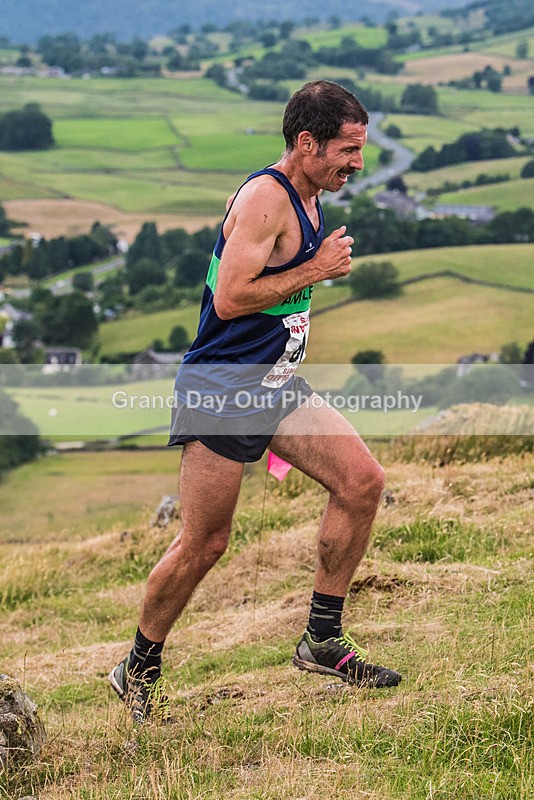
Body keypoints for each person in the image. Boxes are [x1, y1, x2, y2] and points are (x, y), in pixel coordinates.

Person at [109, 80, 401, 722]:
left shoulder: (310, 194)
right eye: (348, 149)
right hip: (222, 388)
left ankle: (322, 638)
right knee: (204, 543)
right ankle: (138, 669)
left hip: (274, 385)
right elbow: (231, 299)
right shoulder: (267, 199)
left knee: (362, 482)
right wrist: (317, 269)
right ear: (306, 141)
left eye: (361, 148)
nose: (358, 162)